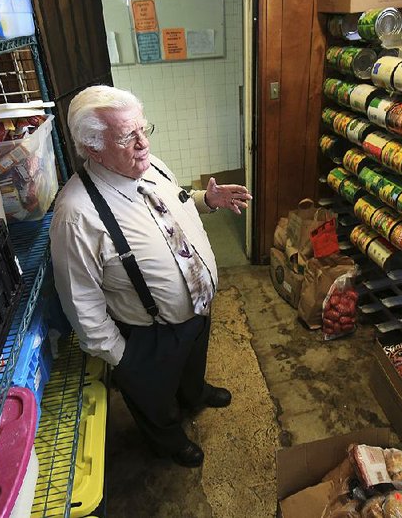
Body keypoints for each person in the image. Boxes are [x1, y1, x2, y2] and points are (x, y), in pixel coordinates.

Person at [50, 85, 252, 468]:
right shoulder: (76, 215)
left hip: (197, 308)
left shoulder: (151, 165)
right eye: (128, 136)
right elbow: (81, 304)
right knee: (152, 397)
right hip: (147, 335)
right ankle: (167, 440)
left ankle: (194, 394)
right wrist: (123, 359)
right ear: (92, 147)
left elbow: (169, 208)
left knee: (192, 364)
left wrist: (205, 201)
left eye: (144, 130)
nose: (143, 143)